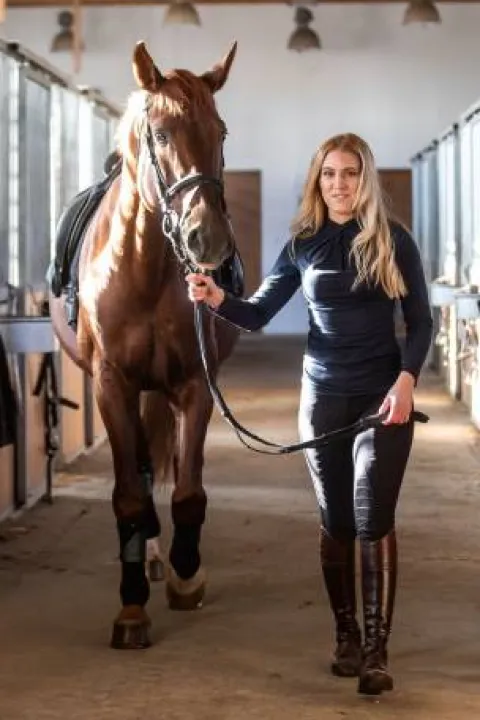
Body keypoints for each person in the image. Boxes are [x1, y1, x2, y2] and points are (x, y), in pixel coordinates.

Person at [185, 133, 433, 696]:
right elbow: (259, 313)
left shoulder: (393, 240)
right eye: (329, 174)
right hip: (322, 397)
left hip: (382, 397)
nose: (339, 184)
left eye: (349, 173)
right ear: (317, 181)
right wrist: (217, 298)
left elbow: (422, 321)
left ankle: (376, 651)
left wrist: (406, 380)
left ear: (365, 179)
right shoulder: (303, 243)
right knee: (337, 521)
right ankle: (346, 635)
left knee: (373, 518)